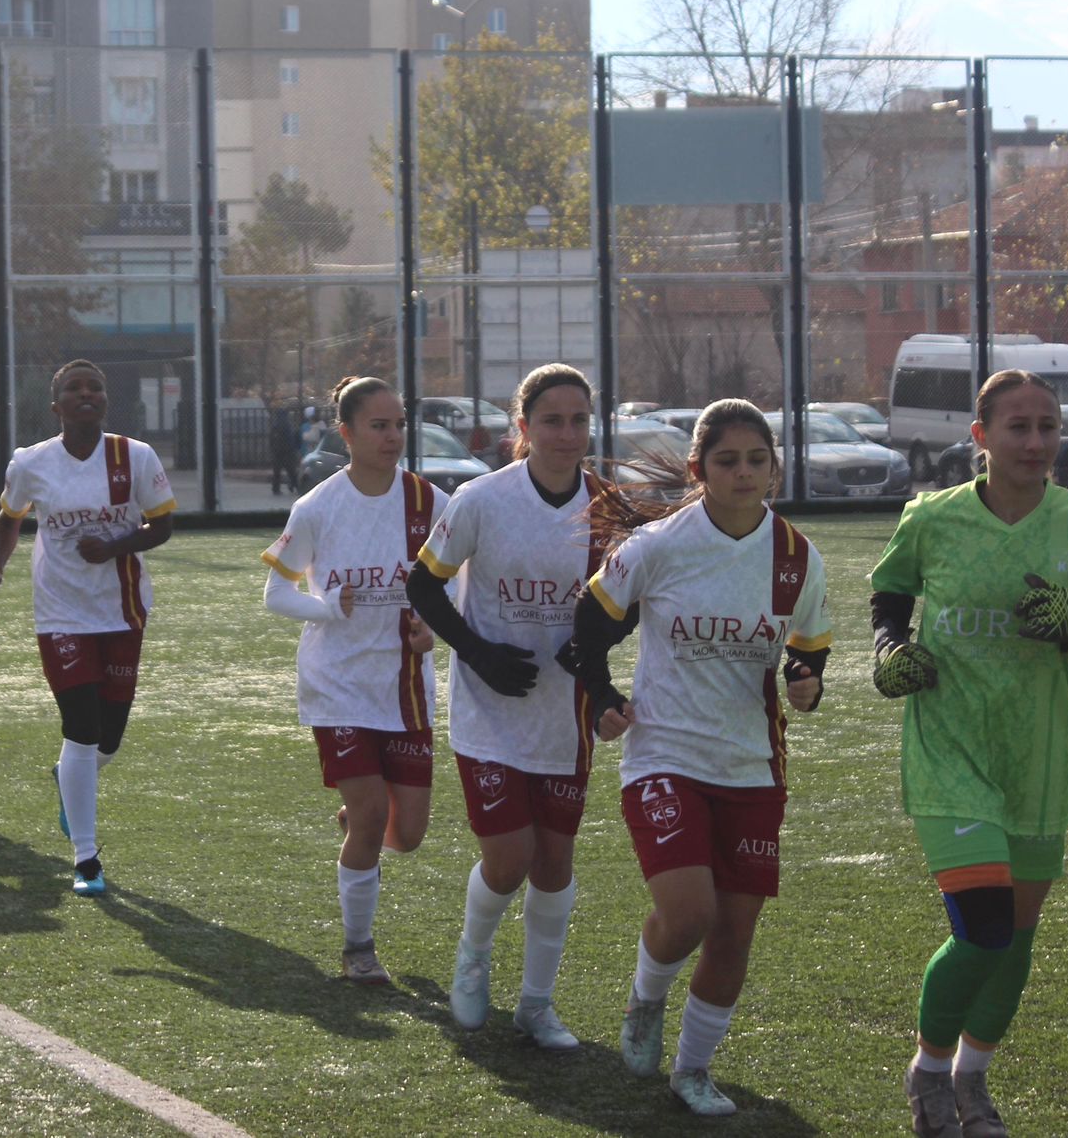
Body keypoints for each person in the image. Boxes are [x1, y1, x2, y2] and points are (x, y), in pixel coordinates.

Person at [869, 370, 1068, 1138]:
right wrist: (890, 648)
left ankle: (973, 1077)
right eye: (1017, 427)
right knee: (983, 927)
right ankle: (929, 1071)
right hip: (949, 748)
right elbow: (890, 594)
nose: (1035, 441)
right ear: (981, 437)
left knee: (1016, 937)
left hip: (1038, 757)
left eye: (1047, 426)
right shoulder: (933, 518)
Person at [564, 398, 832, 1117]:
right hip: (665, 755)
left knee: (734, 933)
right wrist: (602, 694)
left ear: (774, 467)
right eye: (727, 460)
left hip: (753, 767)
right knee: (688, 913)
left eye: (757, 460)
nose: (745, 473)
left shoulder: (798, 558)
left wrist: (807, 685)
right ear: (698, 469)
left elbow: (809, 658)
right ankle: (646, 998)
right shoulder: (656, 546)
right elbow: (587, 627)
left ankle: (693, 1070)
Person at [404, 363, 611, 1050]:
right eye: (552, 420)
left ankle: (537, 1004)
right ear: (522, 427)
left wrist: (595, 658)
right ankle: (473, 955)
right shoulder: (481, 500)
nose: (567, 434)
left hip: (564, 716)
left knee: (554, 863)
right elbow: (423, 585)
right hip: (488, 710)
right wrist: (477, 652)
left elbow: (627, 603)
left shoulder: (607, 507)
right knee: (509, 858)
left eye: (579, 420)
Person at [261, 376, 441, 984]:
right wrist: (326, 607)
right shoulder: (317, 507)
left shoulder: (431, 504)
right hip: (338, 686)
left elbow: (460, 589)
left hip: (406, 689)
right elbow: (276, 593)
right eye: (378, 426)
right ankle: (358, 949)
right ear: (347, 433)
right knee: (370, 815)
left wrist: (434, 630)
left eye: (399, 425)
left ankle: (358, 826)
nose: (392, 436)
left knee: (407, 834)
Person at [0, 360, 176, 897]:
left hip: (122, 611)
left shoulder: (135, 456)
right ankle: (86, 859)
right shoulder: (31, 462)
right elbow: (10, 517)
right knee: (81, 728)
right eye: (74, 388)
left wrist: (115, 545)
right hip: (61, 613)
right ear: (56, 406)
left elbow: (163, 525)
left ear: (106, 400)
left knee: (107, 738)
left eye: (96, 387)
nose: (87, 394)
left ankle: (69, 777)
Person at [268, 398, 302, 495]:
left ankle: (275, 488)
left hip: (277, 452)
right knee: (291, 471)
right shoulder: (289, 425)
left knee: (277, 471)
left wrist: (272, 449)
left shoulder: (275, 425)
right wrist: (295, 448)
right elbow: (295, 438)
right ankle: (297, 487)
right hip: (288, 451)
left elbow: (271, 439)